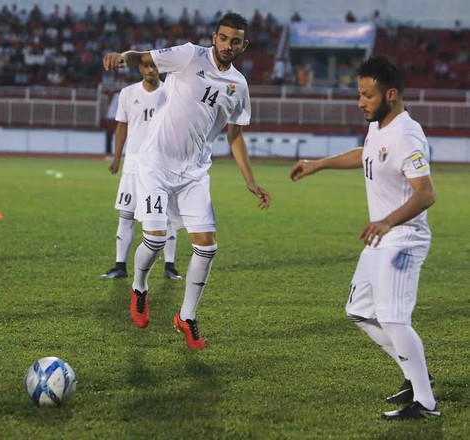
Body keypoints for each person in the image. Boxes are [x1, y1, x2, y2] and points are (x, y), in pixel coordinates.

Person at [103, 12, 271, 350]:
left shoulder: (238, 86)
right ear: (214, 36)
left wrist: (250, 180)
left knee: (207, 247)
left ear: (244, 45)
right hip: (156, 165)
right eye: (223, 38)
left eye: (235, 41)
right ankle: (139, 288)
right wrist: (123, 57)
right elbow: (144, 57)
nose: (227, 45)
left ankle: (187, 317)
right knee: (154, 239)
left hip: (194, 173)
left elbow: (235, 136)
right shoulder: (189, 55)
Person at [290, 56, 440, 420]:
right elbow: (367, 153)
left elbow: (426, 194)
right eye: (359, 94)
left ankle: (426, 402)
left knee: (393, 319)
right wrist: (318, 164)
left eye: (367, 95)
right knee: (358, 310)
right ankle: (414, 373)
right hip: (382, 237)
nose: (360, 102)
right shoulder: (379, 125)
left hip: (403, 238)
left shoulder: (406, 135)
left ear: (390, 94)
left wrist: (387, 222)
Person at [101, 62, 182, 281]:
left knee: (166, 217)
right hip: (134, 164)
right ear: (140, 69)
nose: (151, 70)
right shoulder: (127, 93)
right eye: (147, 66)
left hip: (163, 164)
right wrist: (117, 157)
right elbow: (122, 127)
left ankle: (170, 266)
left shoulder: (171, 92)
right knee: (126, 215)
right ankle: (120, 266)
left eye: (155, 67)